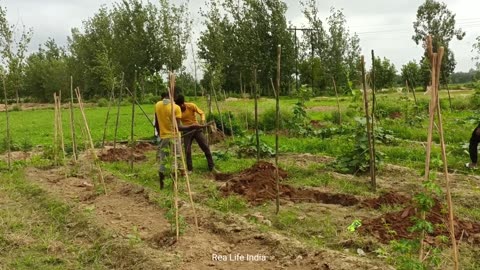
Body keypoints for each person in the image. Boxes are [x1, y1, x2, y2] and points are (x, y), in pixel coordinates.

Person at [155, 89, 203, 189]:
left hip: (163, 137)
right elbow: (179, 127)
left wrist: (161, 135)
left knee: (163, 161)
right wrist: (192, 126)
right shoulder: (176, 108)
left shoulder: (157, 105)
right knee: (175, 161)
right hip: (174, 138)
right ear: (174, 97)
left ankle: (162, 186)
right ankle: (174, 187)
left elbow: (156, 123)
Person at [174, 94, 217, 173]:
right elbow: (178, 124)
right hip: (187, 131)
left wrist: (202, 121)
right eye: (178, 106)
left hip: (197, 129)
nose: (180, 107)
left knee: (205, 147)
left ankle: (212, 167)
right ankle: (190, 169)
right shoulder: (177, 110)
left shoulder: (191, 106)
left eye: (180, 105)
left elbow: (202, 113)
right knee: (187, 150)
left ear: (183, 103)